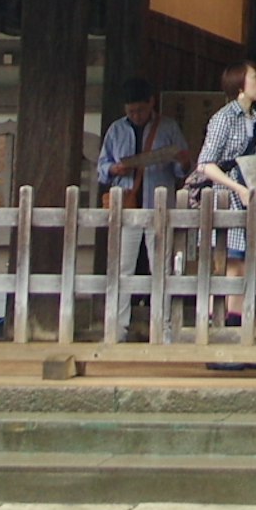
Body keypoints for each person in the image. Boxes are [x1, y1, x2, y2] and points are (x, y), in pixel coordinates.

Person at [190, 62, 256, 329]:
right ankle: (218, 333)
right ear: (240, 85)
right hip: (226, 197)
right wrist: (239, 189)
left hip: (251, 201)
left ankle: (239, 332)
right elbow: (206, 163)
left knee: (246, 268)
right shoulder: (223, 118)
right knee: (227, 267)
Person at [93, 82, 188, 342]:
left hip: (159, 205)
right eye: (131, 111)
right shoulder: (116, 129)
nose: (136, 115)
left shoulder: (168, 127)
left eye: (140, 111)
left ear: (151, 104)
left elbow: (183, 170)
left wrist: (181, 160)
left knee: (161, 267)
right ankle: (117, 328)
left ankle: (163, 327)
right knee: (122, 268)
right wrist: (114, 169)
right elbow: (101, 166)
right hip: (127, 204)